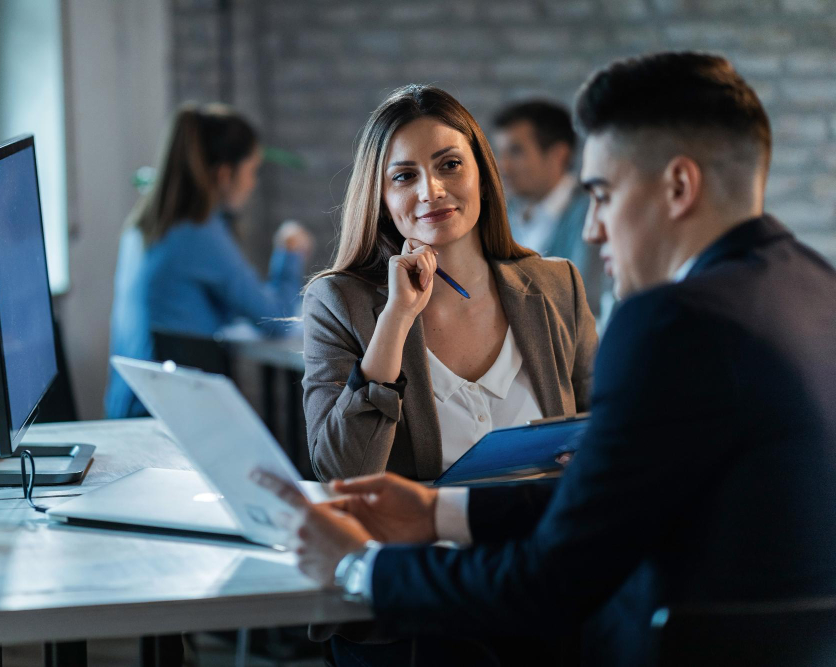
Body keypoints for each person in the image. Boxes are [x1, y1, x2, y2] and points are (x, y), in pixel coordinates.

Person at [257, 52, 836, 666]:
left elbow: (551, 578)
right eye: (403, 176)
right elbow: (613, 492)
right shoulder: (815, 287)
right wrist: (440, 511)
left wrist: (357, 568)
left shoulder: (670, 321)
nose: (591, 230)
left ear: (678, 187)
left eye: (603, 194)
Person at [302, 85, 598, 484]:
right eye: (405, 176)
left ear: (482, 174)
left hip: (544, 539)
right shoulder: (338, 302)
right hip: (424, 544)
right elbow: (344, 474)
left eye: (450, 165)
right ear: (382, 198)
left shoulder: (557, 285)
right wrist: (396, 319)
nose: (432, 191)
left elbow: (604, 434)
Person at [105, 103, 313, 419]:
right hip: (169, 416)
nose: (253, 183)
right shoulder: (199, 234)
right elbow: (275, 319)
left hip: (128, 407)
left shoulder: (143, 226)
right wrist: (290, 253)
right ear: (224, 174)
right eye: (251, 171)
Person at [493, 99, 611, 324]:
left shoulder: (593, 213)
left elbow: (585, 300)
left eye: (516, 152)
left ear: (558, 155)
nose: (502, 166)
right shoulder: (506, 216)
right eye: (501, 153)